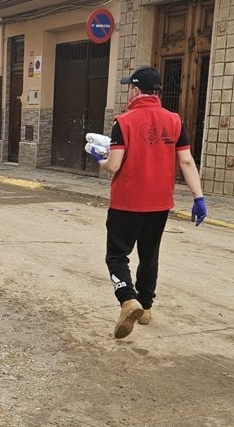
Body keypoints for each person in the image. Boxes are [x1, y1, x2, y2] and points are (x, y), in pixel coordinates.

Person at [90, 66, 207, 339]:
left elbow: (114, 164)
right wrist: (198, 197)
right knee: (149, 253)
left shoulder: (124, 121)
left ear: (136, 89)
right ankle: (146, 308)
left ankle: (127, 299)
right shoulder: (175, 121)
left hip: (126, 202)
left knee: (117, 255)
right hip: (159, 204)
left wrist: (100, 158)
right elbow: (187, 161)